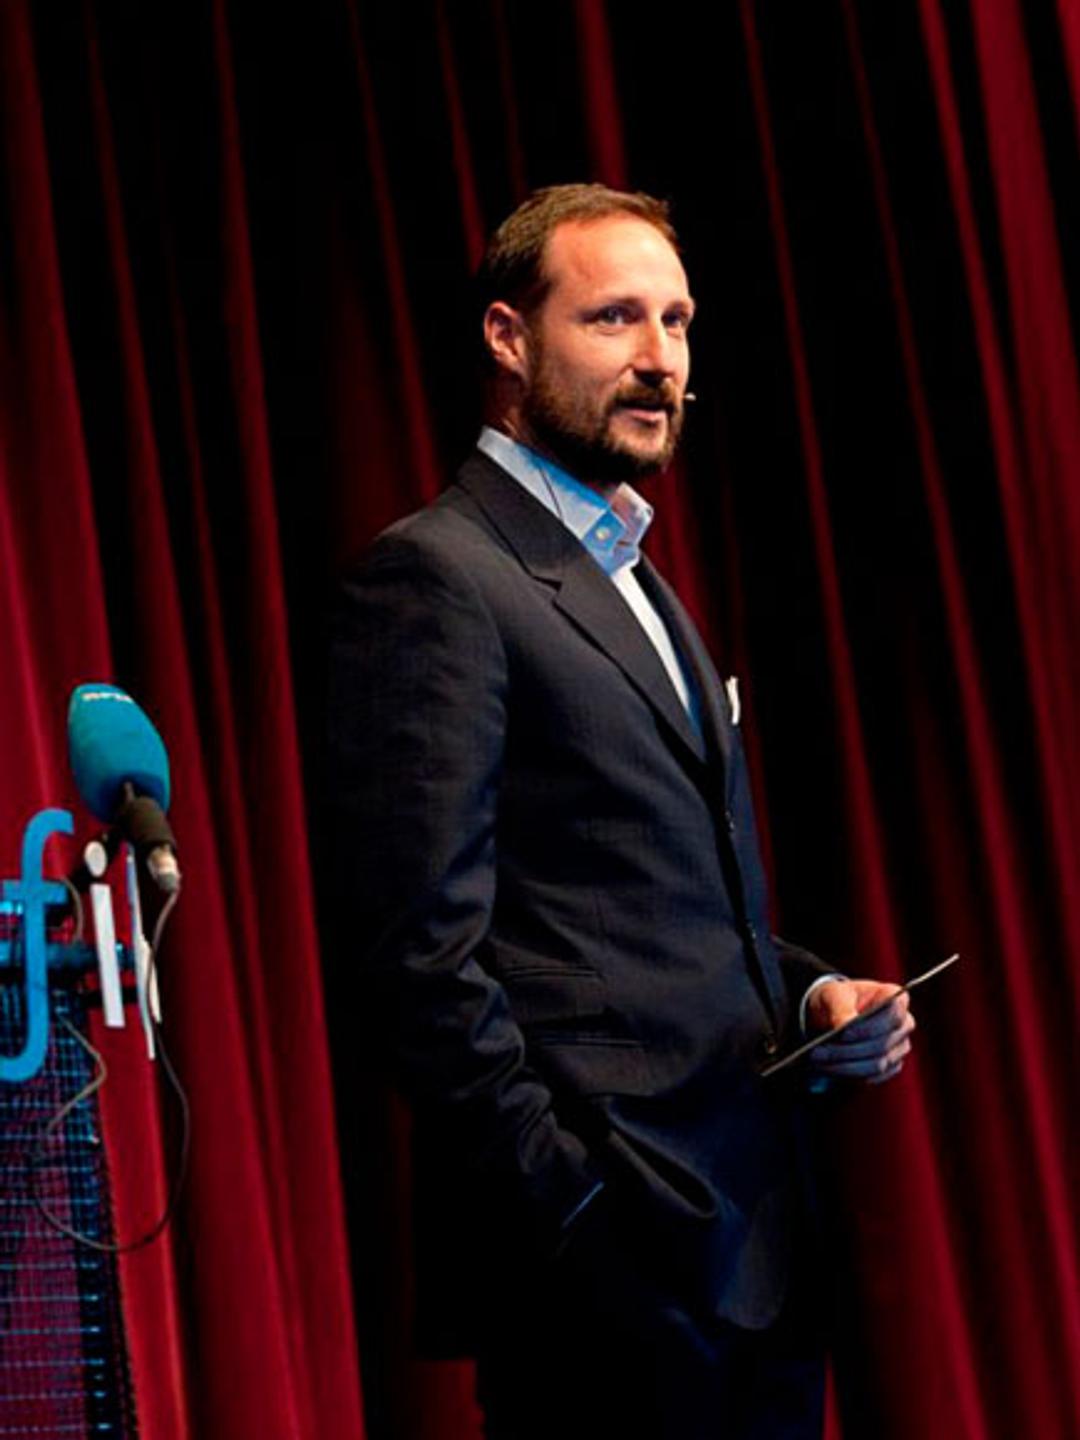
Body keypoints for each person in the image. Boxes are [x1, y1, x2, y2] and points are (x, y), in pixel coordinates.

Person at [326, 184, 915, 1440]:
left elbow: (649, 905)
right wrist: (580, 1211)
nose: (660, 359)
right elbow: (417, 958)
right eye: (613, 319)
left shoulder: (635, 576)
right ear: (508, 337)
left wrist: (812, 995)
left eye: (678, 322)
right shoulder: (441, 578)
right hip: (611, 1280)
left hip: (754, 1256)